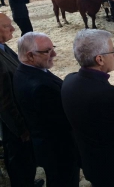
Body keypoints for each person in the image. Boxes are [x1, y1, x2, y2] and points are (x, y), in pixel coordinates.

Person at [62, 29, 114, 187]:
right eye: (112, 51)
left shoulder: (68, 81)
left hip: (91, 163)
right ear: (100, 59)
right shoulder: (112, 95)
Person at [14, 32, 80, 187]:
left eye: (53, 48)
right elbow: (63, 120)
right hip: (58, 150)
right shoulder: (40, 87)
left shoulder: (27, 70)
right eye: (48, 51)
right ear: (30, 56)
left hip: (48, 145)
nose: (54, 54)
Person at [0, 13, 43, 187]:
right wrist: (21, 128)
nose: (13, 29)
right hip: (15, 123)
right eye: (6, 26)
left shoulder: (3, 47)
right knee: (18, 157)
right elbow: (4, 101)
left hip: (19, 118)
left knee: (25, 157)